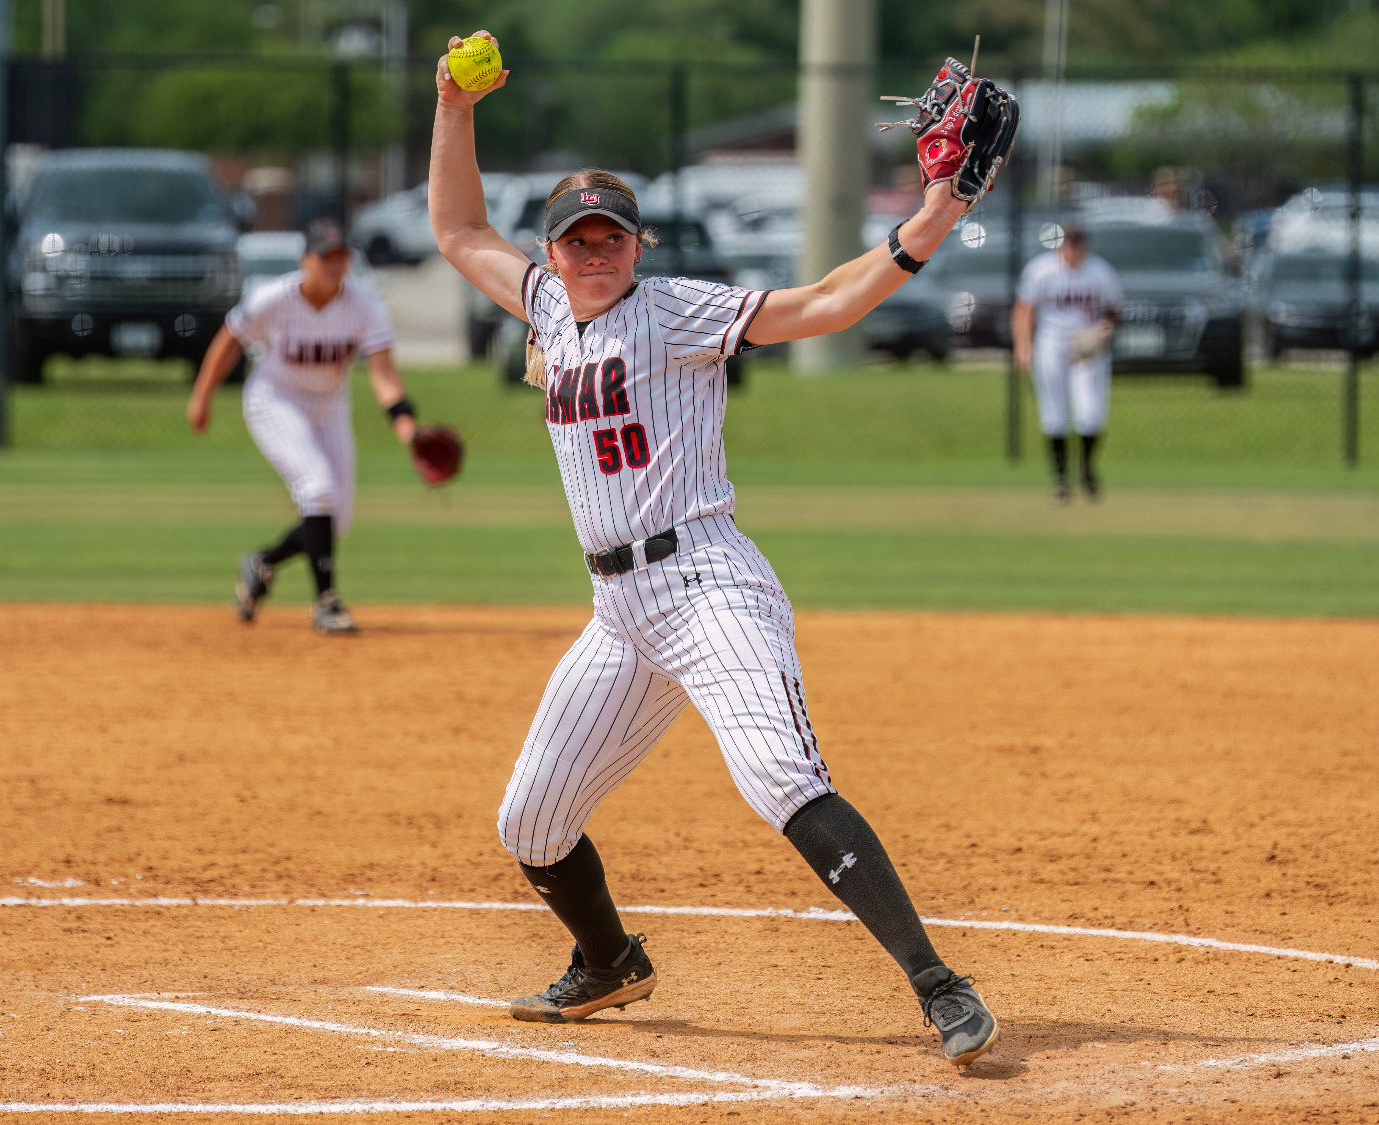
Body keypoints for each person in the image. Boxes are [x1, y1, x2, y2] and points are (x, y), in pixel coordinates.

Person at [428, 32, 1000, 1069]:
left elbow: (825, 302)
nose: (591, 251)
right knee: (531, 822)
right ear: (552, 250)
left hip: (704, 583)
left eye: (608, 236)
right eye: (574, 238)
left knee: (778, 774)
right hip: (619, 613)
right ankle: (608, 962)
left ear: (637, 245)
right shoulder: (548, 307)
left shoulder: (676, 311)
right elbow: (458, 227)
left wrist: (931, 219)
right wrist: (452, 107)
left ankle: (938, 985)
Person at [186, 218, 421, 636]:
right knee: (318, 488)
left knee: (335, 520)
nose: (334, 264)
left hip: (330, 406)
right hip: (275, 400)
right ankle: (327, 603)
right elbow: (229, 339)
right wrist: (202, 396)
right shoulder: (274, 298)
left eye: (340, 256)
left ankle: (263, 563)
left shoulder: (363, 303)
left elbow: (384, 375)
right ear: (305, 260)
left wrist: (407, 428)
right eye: (325, 256)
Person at [1013, 223, 1124, 503]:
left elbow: (1115, 310)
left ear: (1084, 245)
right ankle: (1061, 479)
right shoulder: (1041, 270)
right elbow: (1024, 309)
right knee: (1054, 414)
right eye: (1068, 243)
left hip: (1087, 348)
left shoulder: (1100, 271)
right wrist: (1023, 346)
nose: (1072, 248)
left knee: (1091, 412)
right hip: (1051, 345)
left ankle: (1086, 468)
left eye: (1077, 243)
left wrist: (1103, 330)